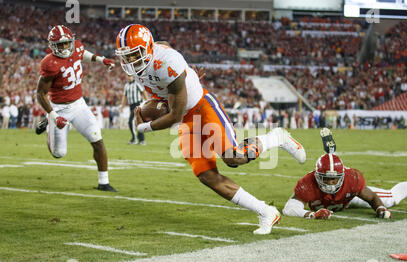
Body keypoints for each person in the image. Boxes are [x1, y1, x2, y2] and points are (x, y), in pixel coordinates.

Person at [115, 24, 307, 235]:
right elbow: (165, 51)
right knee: (206, 175)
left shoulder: (167, 62)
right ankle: (265, 211)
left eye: (136, 54)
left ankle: (276, 137)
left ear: (148, 48)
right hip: (187, 118)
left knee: (233, 158)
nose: (132, 61)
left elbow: (174, 115)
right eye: (127, 56)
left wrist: (144, 127)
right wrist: (186, 76)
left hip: (201, 108)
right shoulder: (153, 55)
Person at [282, 129, 407, 220]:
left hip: (349, 197)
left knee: (391, 198)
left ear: (342, 175)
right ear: (317, 176)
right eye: (326, 178)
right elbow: (289, 208)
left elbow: (371, 197)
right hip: (339, 201)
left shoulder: (351, 179)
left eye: (335, 178)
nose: (331, 183)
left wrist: (380, 208)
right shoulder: (308, 182)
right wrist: (311, 214)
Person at [35, 25, 117, 192]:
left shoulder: (77, 47)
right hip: (59, 109)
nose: (65, 47)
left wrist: (101, 60)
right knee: (59, 153)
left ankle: (104, 182)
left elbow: (82, 54)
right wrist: (53, 115)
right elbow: (40, 94)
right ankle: (48, 122)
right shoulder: (49, 63)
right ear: (52, 45)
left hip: (79, 105)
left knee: (97, 139)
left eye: (67, 43)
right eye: (60, 44)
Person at [121, 75, 148, 145]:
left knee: (131, 122)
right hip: (131, 106)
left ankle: (135, 139)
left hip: (137, 105)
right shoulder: (126, 85)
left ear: (133, 77)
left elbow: (143, 92)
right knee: (138, 123)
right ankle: (141, 140)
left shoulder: (137, 84)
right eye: (128, 76)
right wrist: (122, 106)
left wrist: (147, 101)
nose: (129, 77)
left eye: (130, 76)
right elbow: (125, 96)